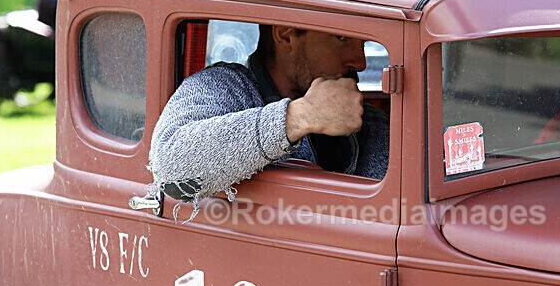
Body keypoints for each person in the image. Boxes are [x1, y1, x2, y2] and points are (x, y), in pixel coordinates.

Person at [148, 25, 389, 220]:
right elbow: (171, 170)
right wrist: (298, 118)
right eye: (341, 37)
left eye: (363, 43)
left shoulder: (366, 122)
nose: (360, 62)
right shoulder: (223, 88)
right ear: (286, 36)